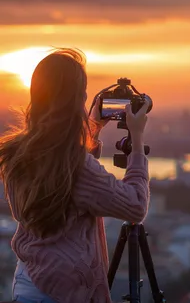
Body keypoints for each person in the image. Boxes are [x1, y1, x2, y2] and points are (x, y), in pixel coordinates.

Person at [0, 48, 150, 303]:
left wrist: (91, 130)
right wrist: (137, 141)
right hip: (64, 293)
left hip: (28, 283)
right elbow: (135, 205)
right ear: (74, 102)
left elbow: (61, 177)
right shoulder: (77, 167)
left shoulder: (15, 154)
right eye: (82, 96)